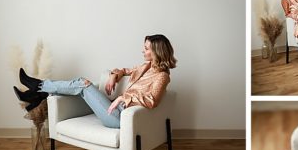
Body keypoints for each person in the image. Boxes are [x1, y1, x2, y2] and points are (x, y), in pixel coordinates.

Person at [13, 34, 176, 128]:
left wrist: (123, 97)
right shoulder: (145, 66)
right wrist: (114, 75)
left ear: (157, 51)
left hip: (119, 116)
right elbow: (125, 71)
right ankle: (38, 92)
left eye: (147, 48)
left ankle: (37, 88)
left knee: (83, 83)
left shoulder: (162, 76)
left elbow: (152, 100)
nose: (143, 50)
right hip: (114, 109)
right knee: (80, 84)